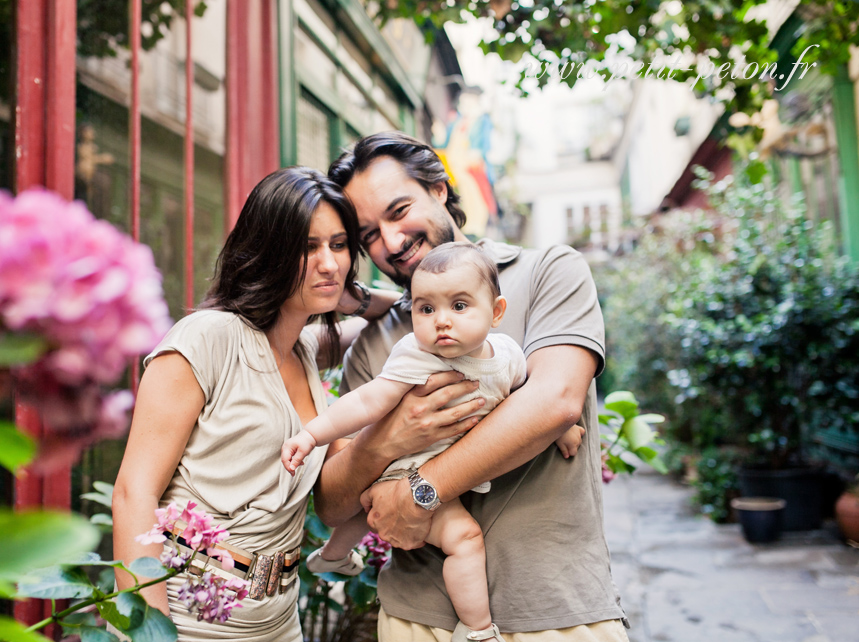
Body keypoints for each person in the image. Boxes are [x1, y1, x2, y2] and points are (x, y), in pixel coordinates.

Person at [314, 132, 630, 642]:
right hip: (416, 621)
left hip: (560, 614)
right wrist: (391, 438)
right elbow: (333, 503)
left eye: (399, 211)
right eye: (370, 234)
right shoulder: (379, 341)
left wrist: (420, 492)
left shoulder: (548, 271)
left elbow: (553, 402)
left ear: (439, 188)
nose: (391, 242)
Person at [111, 166, 398, 641]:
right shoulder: (207, 338)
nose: (329, 262)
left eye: (340, 244)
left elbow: (399, 307)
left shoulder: (304, 352)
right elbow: (132, 495)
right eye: (308, 247)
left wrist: (347, 292)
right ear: (269, 250)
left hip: (278, 619)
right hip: (187, 613)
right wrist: (151, 633)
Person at [283, 243, 585, 642]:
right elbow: (366, 401)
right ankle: (478, 629)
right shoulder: (415, 357)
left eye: (459, 306)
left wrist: (561, 427)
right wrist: (311, 434)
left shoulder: (508, 355)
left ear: (496, 312)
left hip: (434, 473)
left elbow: (528, 396)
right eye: (426, 309)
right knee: (464, 539)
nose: (441, 321)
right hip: (402, 471)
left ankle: (334, 556)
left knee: (365, 506)